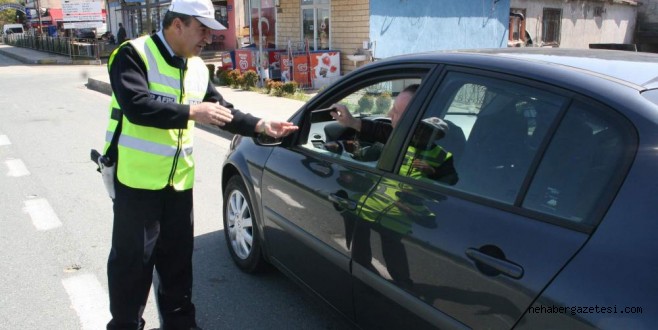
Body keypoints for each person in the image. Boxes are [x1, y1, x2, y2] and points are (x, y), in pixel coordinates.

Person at [103, 0, 298, 328]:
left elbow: (222, 111)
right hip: (136, 185)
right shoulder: (132, 54)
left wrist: (260, 125)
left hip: (178, 186)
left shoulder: (196, 66)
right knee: (132, 269)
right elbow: (137, 106)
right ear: (177, 25)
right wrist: (192, 112)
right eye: (202, 29)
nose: (208, 37)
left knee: (178, 266)